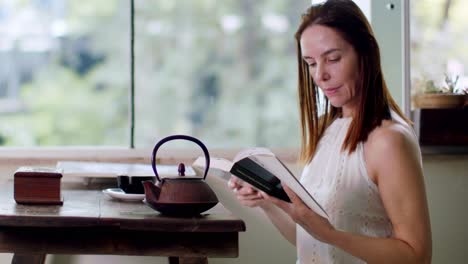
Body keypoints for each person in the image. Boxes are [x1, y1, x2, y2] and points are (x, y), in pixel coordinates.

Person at [228, 0, 432, 263]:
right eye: (311, 63)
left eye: (333, 59)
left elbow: (417, 256)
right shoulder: (327, 128)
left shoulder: (388, 140)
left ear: (365, 53)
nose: (320, 75)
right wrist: (269, 203)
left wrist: (332, 235)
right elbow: (312, 240)